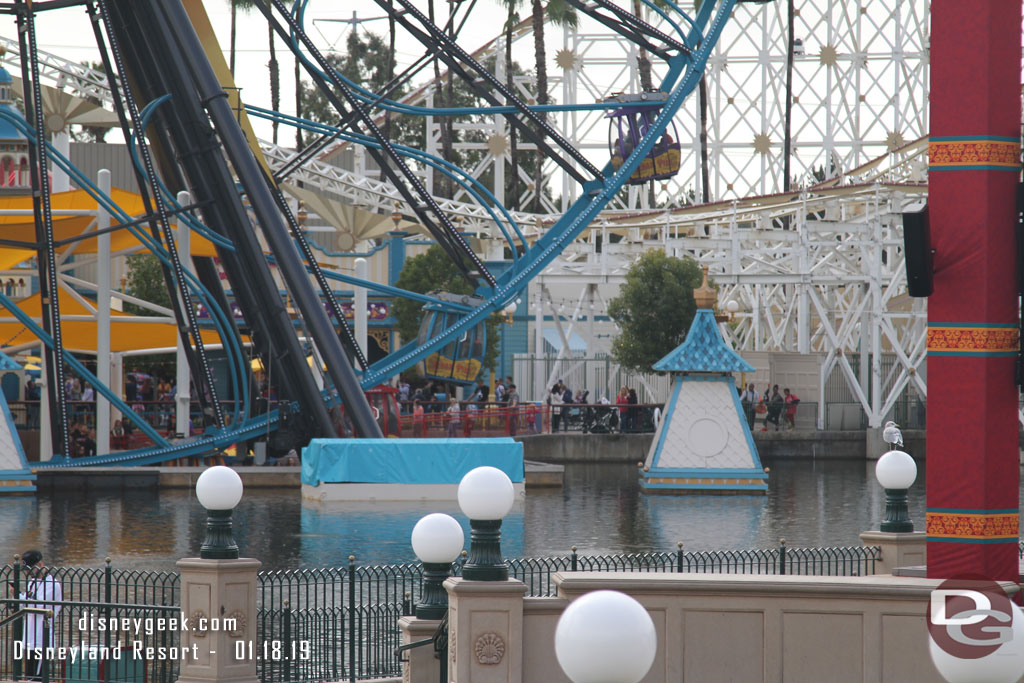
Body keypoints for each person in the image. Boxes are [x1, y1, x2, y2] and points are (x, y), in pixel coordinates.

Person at [18, 549, 62, 681]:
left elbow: (39, 607)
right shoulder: (32, 582)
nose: (27, 572)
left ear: (41, 564)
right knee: (29, 676)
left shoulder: (52, 585)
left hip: (42, 640)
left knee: (38, 678)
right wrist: (17, 596)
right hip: (29, 639)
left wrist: (18, 596)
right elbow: (24, 605)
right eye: (26, 570)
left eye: (30, 569)